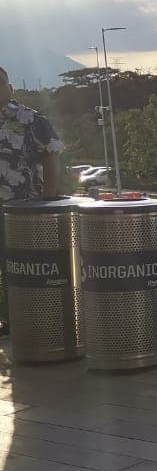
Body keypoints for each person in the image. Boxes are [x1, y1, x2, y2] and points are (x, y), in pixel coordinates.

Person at [0, 66, 63, 338]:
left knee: (17, 271)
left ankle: (22, 326)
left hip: (20, 211)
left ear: (10, 87)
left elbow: (51, 158)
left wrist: (47, 201)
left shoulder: (32, 120)